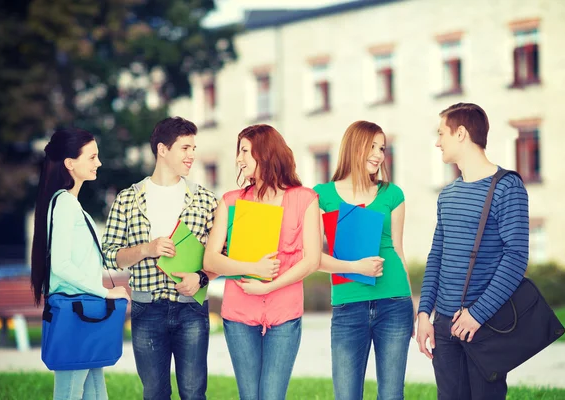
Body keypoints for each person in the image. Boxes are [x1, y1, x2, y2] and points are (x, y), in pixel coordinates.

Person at [416, 103, 529, 400]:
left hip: (485, 324)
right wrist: (425, 313)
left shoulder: (508, 187)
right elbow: (436, 256)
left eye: (442, 133)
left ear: (461, 133)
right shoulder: (448, 194)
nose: (438, 142)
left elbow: (516, 258)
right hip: (443, 326)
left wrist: (477, 315)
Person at [102, 117, 218, 400]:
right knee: (154, 393)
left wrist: (201, 277)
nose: (192, 155)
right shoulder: (128, 199)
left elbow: (223, 255)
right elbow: (110, 256)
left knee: (193, 393)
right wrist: (146, 249)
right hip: (147, 309)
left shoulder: (205, 199)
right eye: (185, 148)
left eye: (194, 148)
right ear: (163, 150)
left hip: (191, 308)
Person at [203, 124, 321, 400]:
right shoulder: (231, 202)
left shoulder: (305, 199)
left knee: (271, 396)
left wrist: (269, 286)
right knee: (249, 396)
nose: (238, 159)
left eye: (244, 151)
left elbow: (312, 260)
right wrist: (251, 269)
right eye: (239, 151)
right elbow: (211, 259)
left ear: (265, 153)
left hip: (284, 313)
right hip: (239, 313)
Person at [313, 120, 414, 400]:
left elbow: (398, 250)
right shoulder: (322, 196)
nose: (379, 154)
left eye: (382, 148)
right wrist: (355, 267)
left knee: (392, 394)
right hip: (348, 306)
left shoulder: (392, 194)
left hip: (394, 302)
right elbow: (312, 258)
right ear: (354, 147)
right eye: (372, 146)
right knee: (346, 395)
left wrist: (414, 308)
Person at [30, 128, 130, 400]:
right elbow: (61, 266)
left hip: (82, 313)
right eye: (92, 157)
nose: (98, 163)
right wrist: (106, 292)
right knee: (70, 394)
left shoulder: (71, 204)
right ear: (70, 163)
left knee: (96, 395)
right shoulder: (64, 205)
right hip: (77, 313)